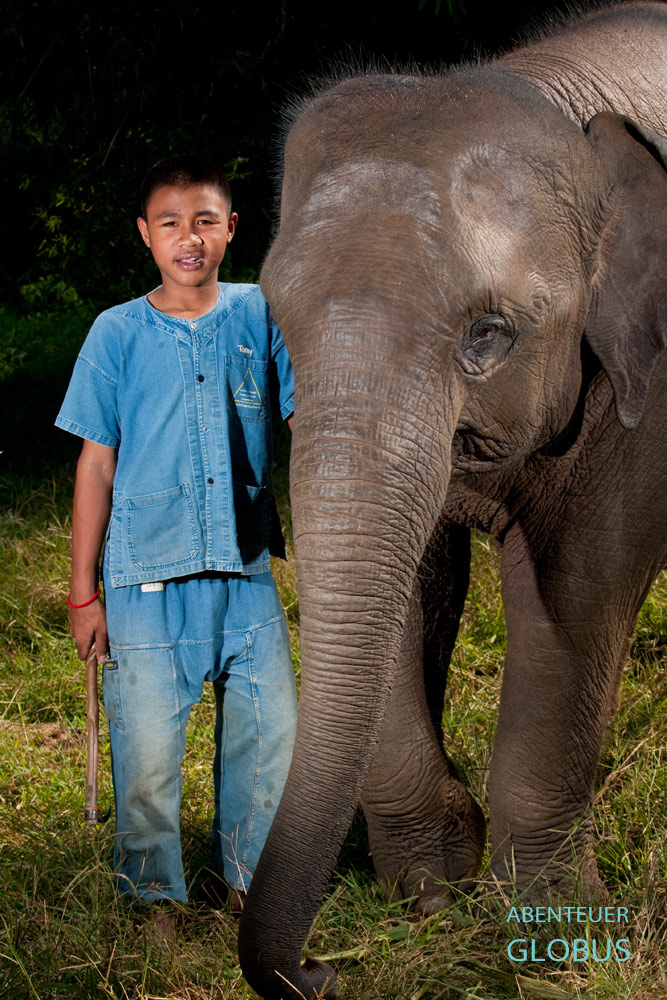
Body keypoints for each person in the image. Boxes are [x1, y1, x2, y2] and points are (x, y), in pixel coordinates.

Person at [56, 155, 298, 917]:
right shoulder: (116, 333)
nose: (187, 238)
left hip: (246, 571)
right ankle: (153, 902)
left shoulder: (263, 314)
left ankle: (248, 891)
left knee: (267, 744)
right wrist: (83, 593)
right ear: (145, 235)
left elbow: (305, 418)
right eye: (169, 223)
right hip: (145, 582)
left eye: (203, 221)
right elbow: (96, 466)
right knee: (149, 759)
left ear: (231, 228)